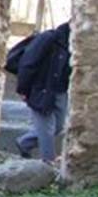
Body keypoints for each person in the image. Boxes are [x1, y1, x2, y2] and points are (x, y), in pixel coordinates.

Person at [15, 22, 71, 163]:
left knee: (58, 126)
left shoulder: (71, 43)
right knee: (47, 129)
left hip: (60, 90)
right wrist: (24, 89)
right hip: (41, 89)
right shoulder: (48, 38)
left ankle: (25, 142)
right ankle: (48, 162)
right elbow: (28, 63)